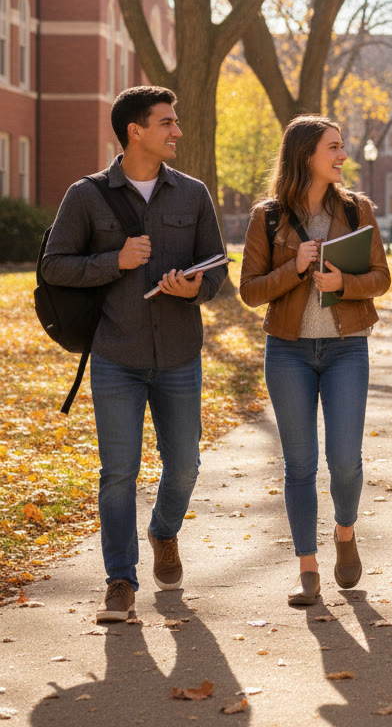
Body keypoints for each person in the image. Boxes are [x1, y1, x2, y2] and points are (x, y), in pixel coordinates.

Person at [41, 86, 227, 623]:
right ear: (135, 132)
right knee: (118, 472)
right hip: (115, 354)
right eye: (167, 122)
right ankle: (120, 581)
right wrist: (114, 260)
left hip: (178, 355)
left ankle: (163, 530)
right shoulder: (87, 195)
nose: (177, 131)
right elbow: (55, 266)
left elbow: (215, 268)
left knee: (185, 466)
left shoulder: (192, 194)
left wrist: (195, 288)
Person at [239, 115, 390, 606]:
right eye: (334, 147)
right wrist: (295, 267)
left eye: (342, 147)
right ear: (307, 154)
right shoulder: (268, 216)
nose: (343, 155)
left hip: (347, 348)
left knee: (344, 462)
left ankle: (345, 533)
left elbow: (380, 278)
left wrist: (343, 284)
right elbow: (249, 291)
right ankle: (307, 568)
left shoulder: (357, 209)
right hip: (289, 351)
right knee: (300, 465)